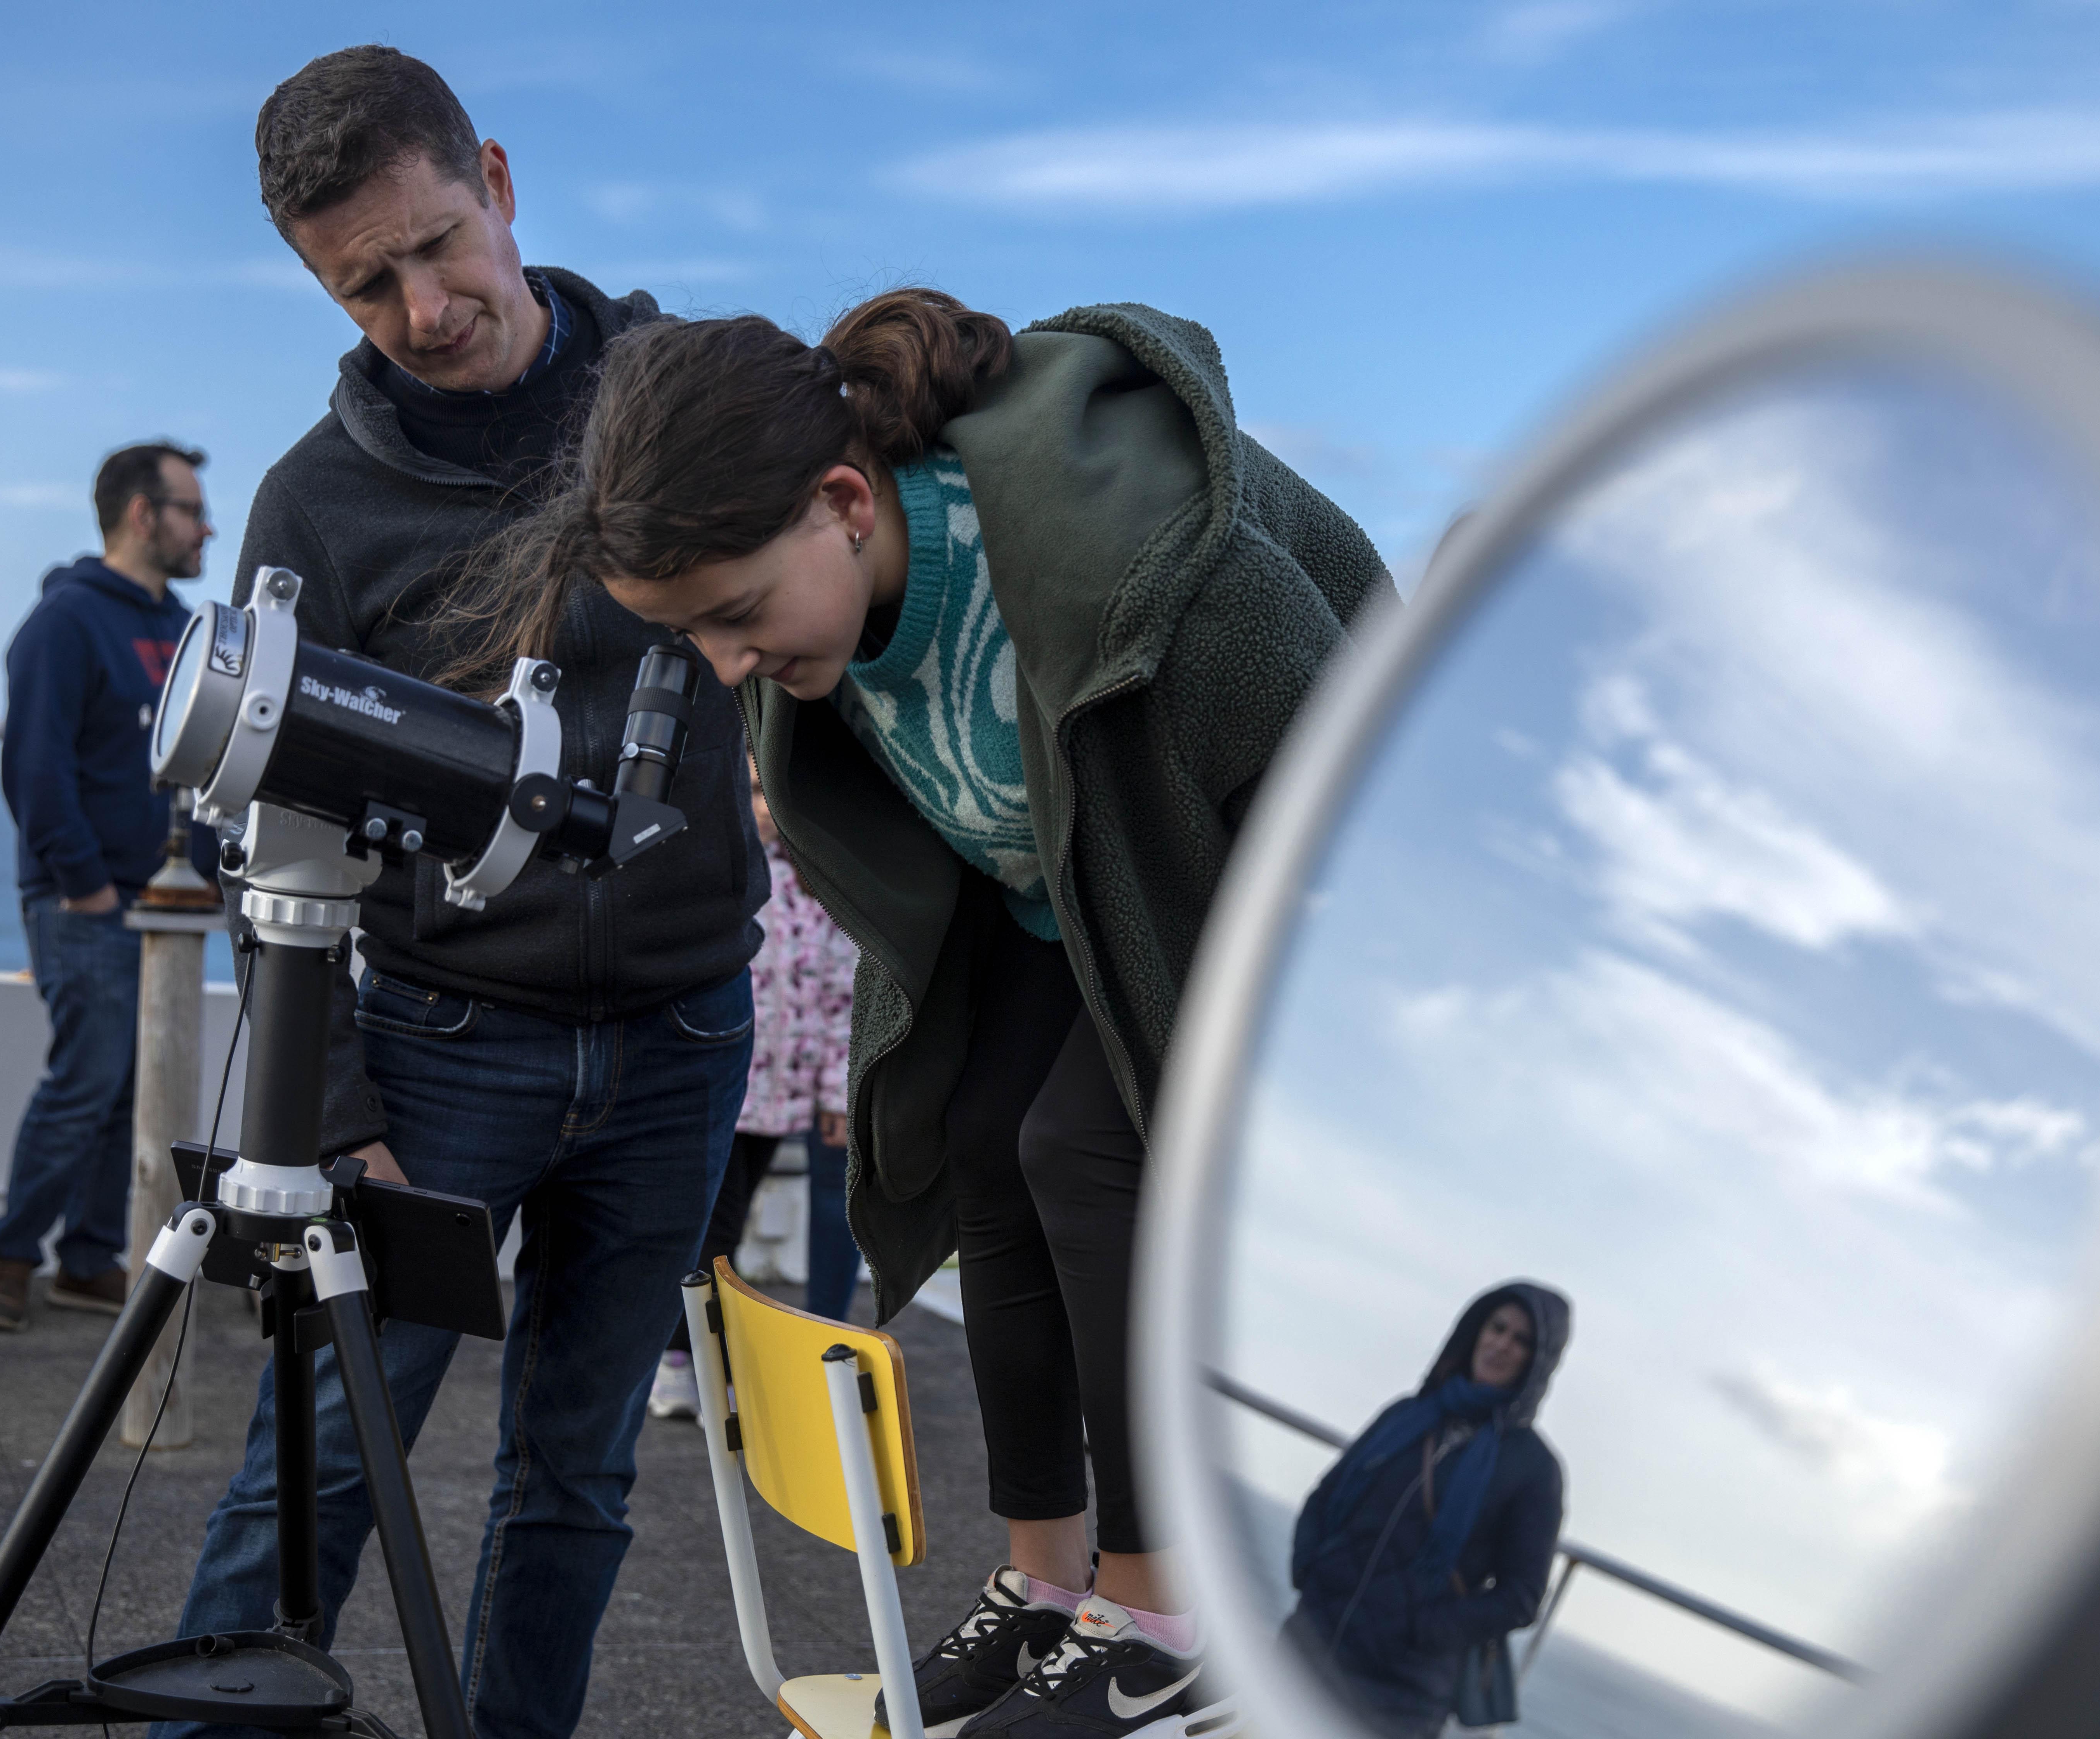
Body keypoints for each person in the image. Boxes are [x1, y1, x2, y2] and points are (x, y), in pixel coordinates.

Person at [444, 288, 1391, 1737]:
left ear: (841, 501)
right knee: (977, 1134)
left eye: (735, 616)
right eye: (688, 633)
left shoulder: (1130, 550)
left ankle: (1159, 1620)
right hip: (1051, 893)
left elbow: (1334, 740)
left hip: (1254, 869)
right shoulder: (819, 614)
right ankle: (1048, 1582)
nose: (721, 665)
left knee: (1083, 1145)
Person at [158, 47, 765, 1739]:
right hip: (435, 1047)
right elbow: (257, 829)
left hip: (680, 1032)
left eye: (437, 245)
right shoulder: (311, 504)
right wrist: (331, 1107)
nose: (422, 308)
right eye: (367, 282)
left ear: (495, 180)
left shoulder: (676, 390)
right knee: (325, 1458)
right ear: (315, 281)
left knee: (574, 1480)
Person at [0, 442, 215, 1332]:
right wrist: (85, 890)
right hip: (92, 903)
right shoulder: (65, 623)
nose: (208, 526)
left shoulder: (182, 627)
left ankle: (86, 1260)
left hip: (163, 906)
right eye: (191, 509)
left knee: (131, 1089)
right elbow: (35, 771)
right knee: (90, 1078)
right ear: (144, 516)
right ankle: (6, 1258)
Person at [651, 755, 860, 1418]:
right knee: (715, 1229)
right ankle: (686, 1361)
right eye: (751, 792)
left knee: (790, 1218)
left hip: (792, 1093)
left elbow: (840, 993)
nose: (766, 807)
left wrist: (835, 1093)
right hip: (726, 1087)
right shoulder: (720, 877)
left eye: (777, 792)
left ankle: (801, 1352)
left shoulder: (817, 888)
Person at [1285, 1285, 1572, 1737]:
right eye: (1498, 1327)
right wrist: (1309, 1568)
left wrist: (1421, 1630)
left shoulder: (1534, 1468)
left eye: (1522, 1340)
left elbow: (1521, 1597)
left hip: (1398, 1693)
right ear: (1476, 1329)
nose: (1502, 1344)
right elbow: (1328, 1493)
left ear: (1539, 1361)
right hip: (1306, 1642)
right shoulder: (1408, 1413)